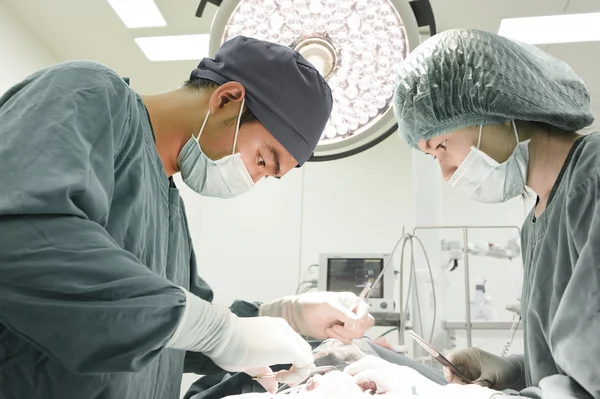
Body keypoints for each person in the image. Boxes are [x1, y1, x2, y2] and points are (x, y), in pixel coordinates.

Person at [0, 35, 374, 399]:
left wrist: (284, 316)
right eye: (263, 159)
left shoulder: (169, 208)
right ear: (226, 99)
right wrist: (219, 332)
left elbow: (167, 328)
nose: (254, 180)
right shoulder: (87, 93)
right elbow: (23, 237)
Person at [351, 28, 596, 399]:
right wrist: (512, 371)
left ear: (495, 109)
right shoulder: (537, 220)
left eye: (442, 146)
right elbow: (565, 367)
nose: (446, 173)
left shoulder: (593, 178)